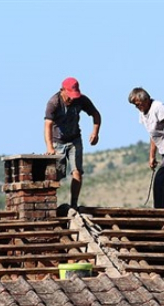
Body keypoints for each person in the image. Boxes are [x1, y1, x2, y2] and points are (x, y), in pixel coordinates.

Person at [44, 77, 101, 208]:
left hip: (74, 139)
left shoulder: (81, 100)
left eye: (74, 96)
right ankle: (51, 206)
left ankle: (74, 204)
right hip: (57, 141)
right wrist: (49, 147)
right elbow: (47, 125)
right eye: (69, 96)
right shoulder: (54, 102)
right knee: (55, 175)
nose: (71, 99)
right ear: (62, 90)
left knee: (77, 172)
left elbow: (96, 115)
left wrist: (95, 133)